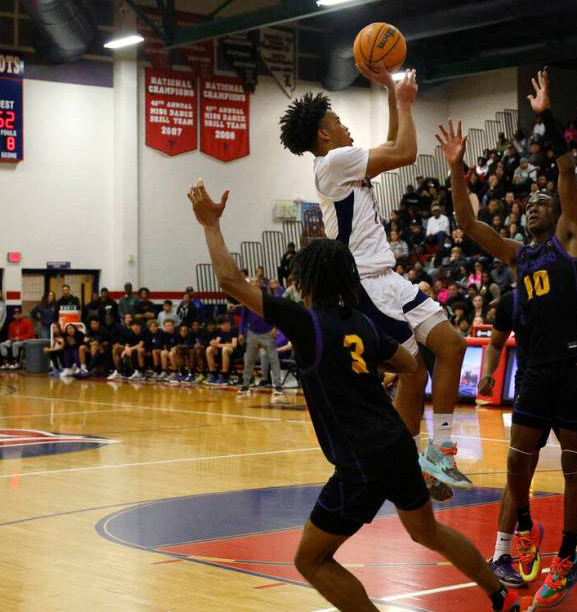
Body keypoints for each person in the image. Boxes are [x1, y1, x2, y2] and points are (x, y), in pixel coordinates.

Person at [188, 180, 520, 612]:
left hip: (362, 463)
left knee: (312, 558)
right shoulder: (362, 324)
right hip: (396, 447)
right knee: (427, 532)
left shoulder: (306, 323)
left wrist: (211, 224)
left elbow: (230, 281)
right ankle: (500, 596)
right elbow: (409, 365)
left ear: (304, 279)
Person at [442, 68, 577, 607]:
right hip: (535, 371)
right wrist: (457, 167)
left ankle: (565, 557)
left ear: (557, 214)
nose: (533, 202)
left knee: (575, 465)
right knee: (518, 464)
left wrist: (545, 117)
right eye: (528, 200)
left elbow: (565, 171)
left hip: (575, 367)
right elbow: (466, 223)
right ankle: (521, 535)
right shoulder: (517, 254)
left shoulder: (569, 241)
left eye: (542, 199)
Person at [278, 67, 471, 494]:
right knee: (413, 371)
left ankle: (438, 455)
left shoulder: (341, 164)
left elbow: (389, 145)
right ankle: (406, 464)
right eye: (338, 122)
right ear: (324, 136)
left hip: (389, 278)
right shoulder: (333, 162)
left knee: (451, 345)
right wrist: (404, 101)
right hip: (364, 282)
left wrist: (390, 93)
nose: (345, 126)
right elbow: (403, 152)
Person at [480, 282, 577, 584]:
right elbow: (496, 344)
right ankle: (501, 553)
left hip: (574, 387)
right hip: (534, 388)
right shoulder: (512, 300)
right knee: (521, 470)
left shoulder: (576, 294)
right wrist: (487, 373)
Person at [238, 285, 283, 395]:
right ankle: (245, 385)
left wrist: (275, 328)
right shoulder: (247, 301)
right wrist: (240, 332)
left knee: (273, 359)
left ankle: (278, 386)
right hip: (252, 333)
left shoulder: (268, 301)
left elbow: (277, 315)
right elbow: (243, 318)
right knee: (249, 360)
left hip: (268, 333)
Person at [205, 315, 239, 386]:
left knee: (225, 349)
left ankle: (225, 376)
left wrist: (219, 345)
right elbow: (217, 342)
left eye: (222, 325)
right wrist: (213, 343)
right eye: (220, 325)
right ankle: (213, 374)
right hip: (222, 351)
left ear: (227, 323)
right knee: (209, 349)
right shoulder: (220, 331)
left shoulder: (234, 329)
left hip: (234, 352)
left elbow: (234, 345)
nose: (221, 327)